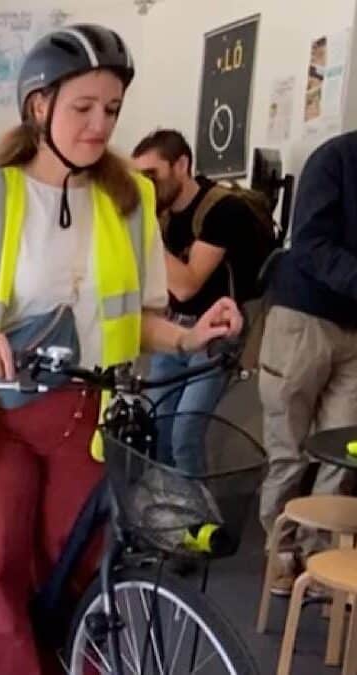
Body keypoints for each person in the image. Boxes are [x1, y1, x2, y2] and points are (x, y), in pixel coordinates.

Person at [0, 25, 242, 674]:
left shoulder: (129, 201)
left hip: (85, 418)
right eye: (83, 108)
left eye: (112, 109)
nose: (100, 125)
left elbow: (140, 318)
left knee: (80, 578)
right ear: (40, 106)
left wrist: (188, 335)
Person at [258, 130, 357, 595]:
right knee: (290, 448)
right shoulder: (334, 159)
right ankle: (281, 551)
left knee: (343, 450)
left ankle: (321, 559)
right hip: (304, 318)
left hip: (354, 332)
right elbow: (311, 244)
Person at [131, 129, 261, 475]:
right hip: (174, 328)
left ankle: (197, 524)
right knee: (156, 427)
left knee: (185, 435)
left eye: (151, 175)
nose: (146, 186)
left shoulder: (223, 211)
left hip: (217, 332)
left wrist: (141, 235)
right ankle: (165, 515)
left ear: (181, 165)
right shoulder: (162, 215)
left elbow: (188, 284)